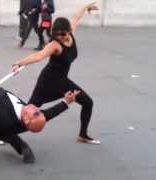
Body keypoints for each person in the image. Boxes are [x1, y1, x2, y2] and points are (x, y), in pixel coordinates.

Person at [12, 2, 101, 144]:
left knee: (88, 102)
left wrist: (85, 7)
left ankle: (82, 135)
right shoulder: (54, 45)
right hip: (46, 83)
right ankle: (3, 132)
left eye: (63, 34)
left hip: (62, 82)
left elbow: (76, 17)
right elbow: (39, 56)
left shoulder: (70, 31)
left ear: (69, 30)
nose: (60, 37)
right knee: (28, 112)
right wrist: (19, 62)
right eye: (57, 34)